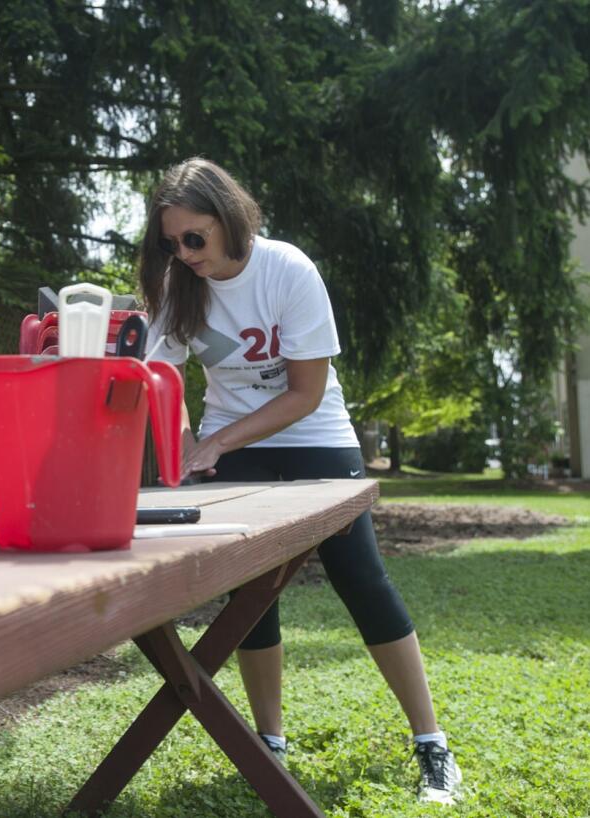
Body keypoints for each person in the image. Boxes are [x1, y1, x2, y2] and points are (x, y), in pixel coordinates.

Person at [139, 158, 462, 804]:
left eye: (194, 238)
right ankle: (270, 744)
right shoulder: (180, 287)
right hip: (232, 444)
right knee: (253, 593)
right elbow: (159, 382)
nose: (184, 253)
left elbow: (306, 393)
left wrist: (219, 440)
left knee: (361, 578)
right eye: (172, 243)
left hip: (313, 435)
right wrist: (183, 449)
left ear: (229, 219)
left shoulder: (289, 270)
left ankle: (433, 747)